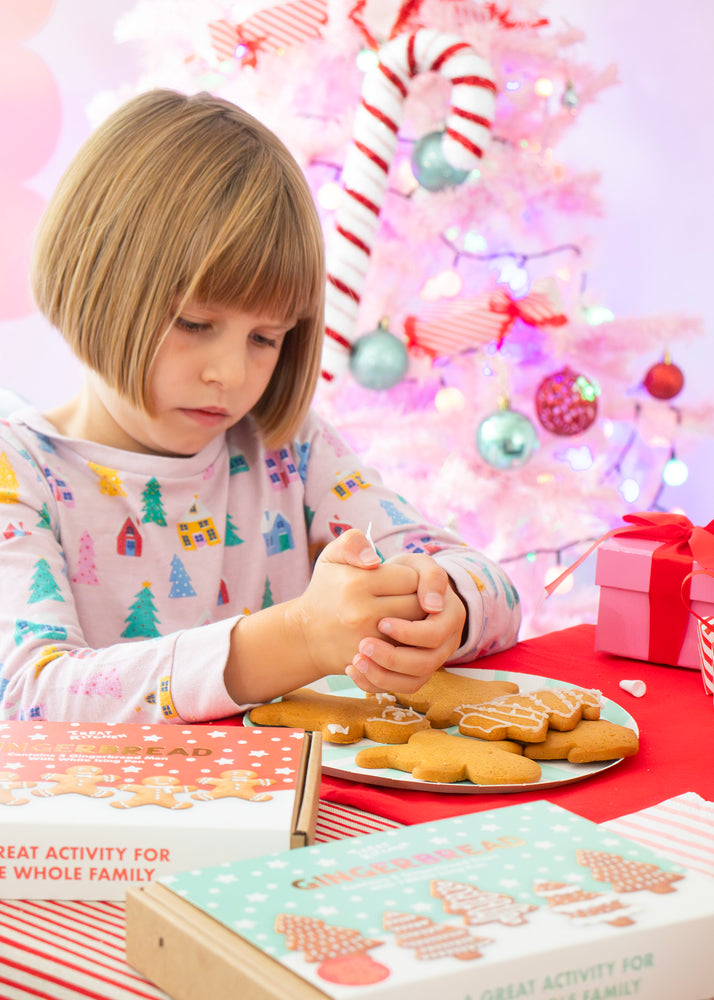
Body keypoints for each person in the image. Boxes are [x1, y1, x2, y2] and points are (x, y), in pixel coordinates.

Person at [0, 89, 520, 724]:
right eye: (194, 323)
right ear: (94, 279)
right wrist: (296, 639)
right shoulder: (18, 470)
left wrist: (446, 608)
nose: (230, 373)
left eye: (265, 338)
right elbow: (28, 697)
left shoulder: (288, 450)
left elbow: (491, 586)